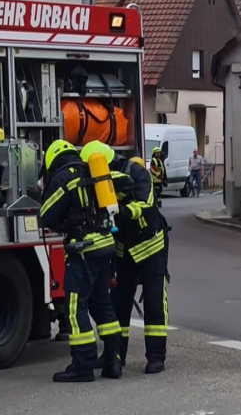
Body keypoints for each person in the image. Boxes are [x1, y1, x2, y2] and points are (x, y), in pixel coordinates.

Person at [39, 139, 123, 383]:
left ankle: (83, 366)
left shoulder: (63, 178)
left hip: (84, 251)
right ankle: (113, 360)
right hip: (105, 245)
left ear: (53, 161)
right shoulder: (91, 170)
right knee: (102, 303)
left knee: (75, 309)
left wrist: (65, 223)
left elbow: (46, 214)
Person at [82, 141, 169, 374]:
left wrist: (120, 211)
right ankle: (115, 355)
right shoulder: (98, 181)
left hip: (150, 246)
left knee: (154, 302)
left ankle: (156, 356)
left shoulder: (137, 173)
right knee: (118, 305)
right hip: (123, 250)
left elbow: (145, 204)